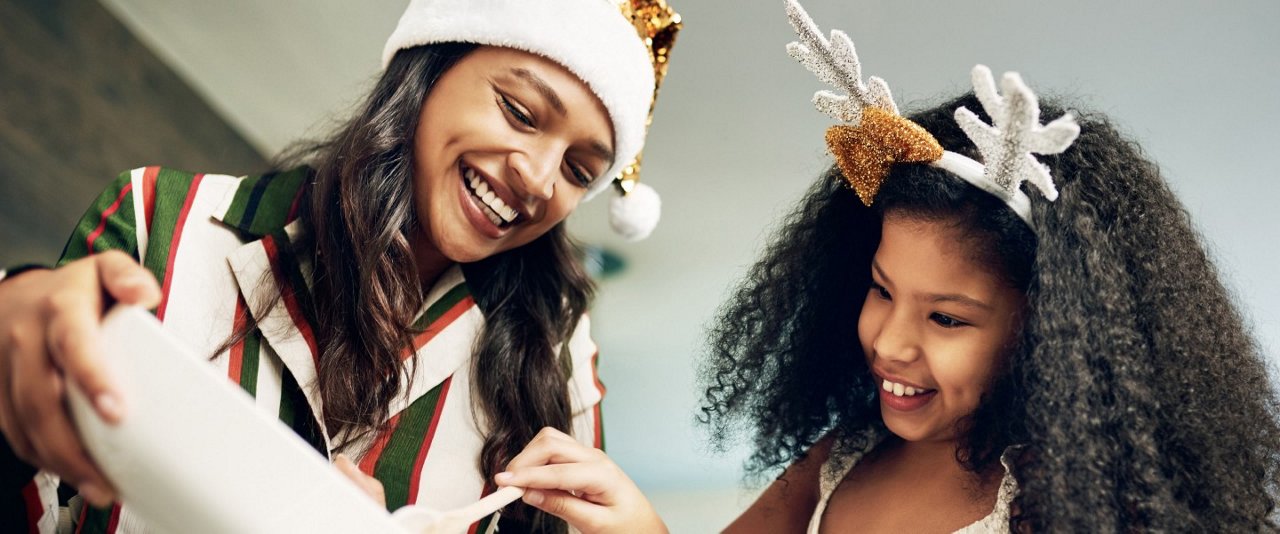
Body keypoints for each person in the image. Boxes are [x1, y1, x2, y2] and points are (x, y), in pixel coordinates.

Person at [493, 1, 1280, 532]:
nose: (890, 341)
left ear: (1052, 335)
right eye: (880, 290)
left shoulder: (1062, 508)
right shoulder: (842, 457)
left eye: (947, 318)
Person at [0, 0, 683, 532]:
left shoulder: (556, 364)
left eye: (577, 170)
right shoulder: (159, 221)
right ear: (429, 66)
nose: (538, 179)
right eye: (519, 111)